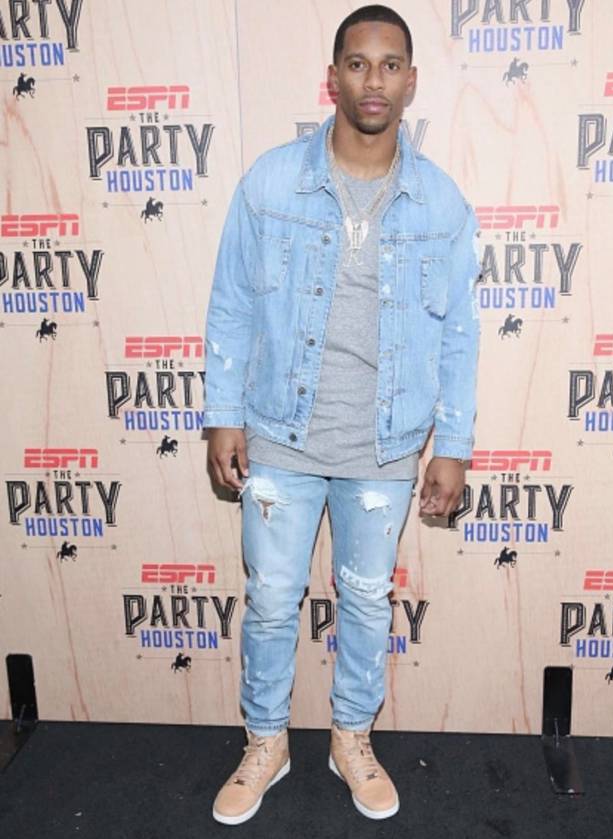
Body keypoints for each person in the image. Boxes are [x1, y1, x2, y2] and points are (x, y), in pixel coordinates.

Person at [203, 3, 482, 825]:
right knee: (271, 599)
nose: (373, 81)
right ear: (334, 77)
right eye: (358, 64)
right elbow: (230, 306)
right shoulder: (269, 184)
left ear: (411, 81)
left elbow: (460, 335)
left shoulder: (441, 204)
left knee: (364, 602)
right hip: (279, 436)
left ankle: (350, 737)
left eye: (390, 65)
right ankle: (266, 741)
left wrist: (453, 443)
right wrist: (223, 412)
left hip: (384, 445)